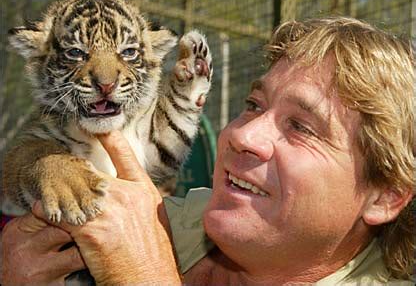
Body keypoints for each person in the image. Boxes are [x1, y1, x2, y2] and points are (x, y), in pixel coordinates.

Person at [1, 17, 415, 285]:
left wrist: (144, 277)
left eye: (302, 127)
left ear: (386, 196)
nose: (243, 135)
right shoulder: (179, 220)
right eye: (254, 105)